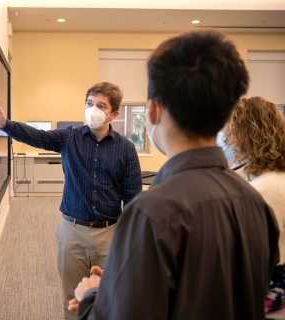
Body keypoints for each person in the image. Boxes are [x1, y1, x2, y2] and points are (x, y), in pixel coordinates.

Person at [68, 29, 279, 320]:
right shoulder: (256, 203)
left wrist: (92, 295)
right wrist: (124, 284)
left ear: (152, 112)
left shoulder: (151, 213)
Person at [0, 82, 142, 320]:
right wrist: (5, 125)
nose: (93, 109)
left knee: (111, 299)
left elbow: (133, 197)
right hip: (72, 231)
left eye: (101, 105)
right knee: (72, 301)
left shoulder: (126, 148)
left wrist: (130, 240)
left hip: (110, 233)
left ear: (113, 113)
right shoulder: (69, 138)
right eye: (89, 103)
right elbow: (36, 136)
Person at [223, 96, 285, 318]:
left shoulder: (265, 188)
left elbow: (242, 255)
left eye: (230, 131)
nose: (225, 139)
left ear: (251, 133)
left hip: (266, 300)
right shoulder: (265, 179)